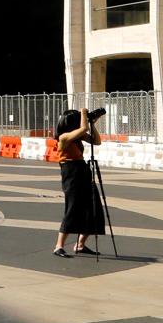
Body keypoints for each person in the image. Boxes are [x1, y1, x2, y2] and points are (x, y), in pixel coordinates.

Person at [52, 108, 105, 257]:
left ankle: (80, 244)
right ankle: (59, 246)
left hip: (82, 169)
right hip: (71, 173)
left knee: (93, 207)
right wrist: (83, 113)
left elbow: (96, 141)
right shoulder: (63, 137)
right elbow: (83, 128)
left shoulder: (77, 137)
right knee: (73, 208)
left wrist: (92, 123)